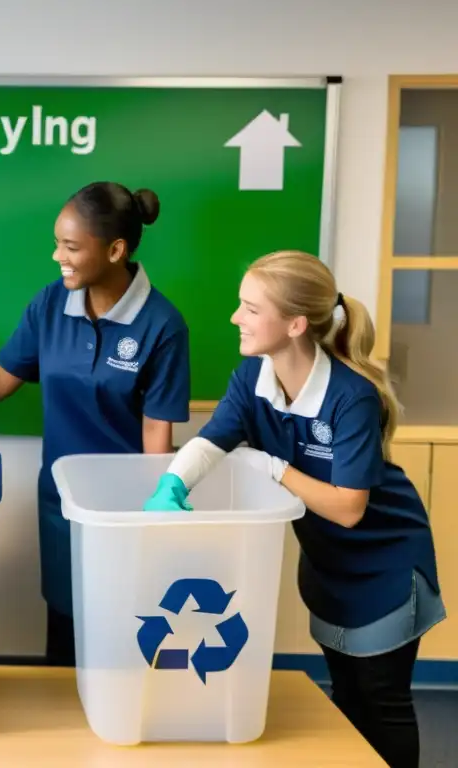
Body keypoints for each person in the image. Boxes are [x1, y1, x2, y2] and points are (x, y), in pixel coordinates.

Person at [143, 250, 442, 768]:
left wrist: (273, 468)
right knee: (346, 700)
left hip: (387, 568)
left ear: (296, 324)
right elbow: (212, 443)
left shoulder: (351, 396)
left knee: (383, 704)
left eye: (251, 309)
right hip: (328, 568)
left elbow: (349, 508)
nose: (236, 317)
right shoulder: (251, 380)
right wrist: (170, 485)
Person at [0, 182, 191, 665]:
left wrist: (156, 511)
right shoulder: (50, 305)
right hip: (61, 502)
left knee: (123, 625)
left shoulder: (162, 324)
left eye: (70, 247)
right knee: (66, 625)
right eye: (57, 243)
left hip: (126, 508)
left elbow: (157, 436)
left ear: (115, 250)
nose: (57, 256)